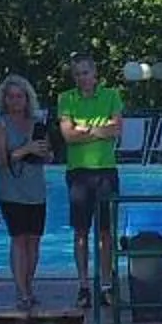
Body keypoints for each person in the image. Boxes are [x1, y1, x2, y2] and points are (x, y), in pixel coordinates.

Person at [57, 53, 124, 303]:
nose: (81, 78)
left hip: (105, 170)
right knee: (81, 232)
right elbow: (68, 136)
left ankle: (106, 285)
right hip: (78, 172)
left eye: (85, 73)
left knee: (106, 231)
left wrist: (85, 129)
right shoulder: (66, 99)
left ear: (95, 74)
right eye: (77, 74)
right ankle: (83, 285)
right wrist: (99, 130)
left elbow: (116, 129)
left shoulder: (111, 95)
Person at [0, 74, 52, 312]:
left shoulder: (36, 122)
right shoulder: (0, 124)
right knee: (18, 239)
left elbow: (49, 155)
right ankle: (21, 290)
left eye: (20, 96)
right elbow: (1, 160)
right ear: (4, 99)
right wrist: (25, 150)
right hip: (11, 189)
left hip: (36, 188)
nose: (15, 101)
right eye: (11, 97)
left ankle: (29, 285)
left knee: (34, 241)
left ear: (27, 98)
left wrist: (42, 152)